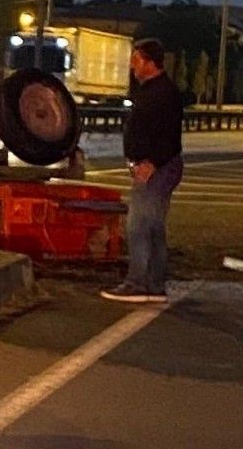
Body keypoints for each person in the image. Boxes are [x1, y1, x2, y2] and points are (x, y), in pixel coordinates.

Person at [102, 38, 183, 303]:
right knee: (154, 226)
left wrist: (151, 163)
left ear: (149, 62)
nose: (132, 66)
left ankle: (137, 282)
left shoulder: (163, 93)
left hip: (157, 168)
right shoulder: (151, 90)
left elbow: (169, 137)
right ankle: (154, 283)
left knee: (139, 225)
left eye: (136, 60)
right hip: (152, 165)